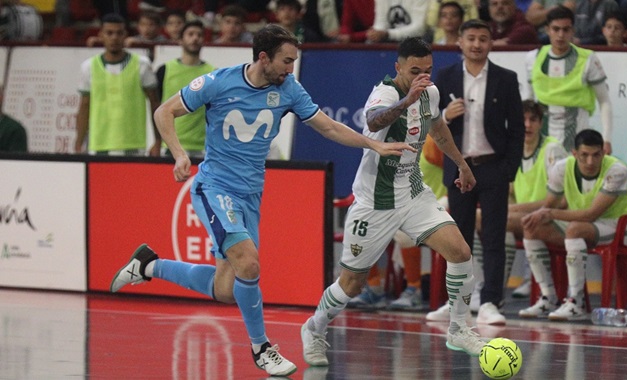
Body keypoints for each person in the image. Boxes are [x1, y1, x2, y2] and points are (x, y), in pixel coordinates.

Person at [108, 24, 415, 377]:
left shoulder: (289, 89)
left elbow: (328, 127)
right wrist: (178, 154)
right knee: (250, 265)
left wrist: (373, 143)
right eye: (286, 61)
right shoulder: (218, 82)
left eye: (294, 62)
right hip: (215, 187)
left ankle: (148, 266)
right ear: (263, 57)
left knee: (226, 289)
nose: (291, 68)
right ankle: (262, 348)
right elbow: (165, 111)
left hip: (251, 194)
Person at [301, 37, 485, 367]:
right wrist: (407, 100)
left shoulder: (430, 92)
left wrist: (461, 164)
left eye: (427, 71)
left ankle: (459, 328)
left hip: (413, 193)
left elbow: (439, 130)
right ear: (398, 67)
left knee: (460, 251)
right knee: (351, 285)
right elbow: (373, 121)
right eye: (415, 71)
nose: (422, 78)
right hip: (375, 201)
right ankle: (314, 328)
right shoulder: (385, 93)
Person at [432, 19, 524, 326]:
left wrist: (509, 168)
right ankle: (456, 301)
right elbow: (431, 121)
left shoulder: (505, 78)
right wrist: (446, 114)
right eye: (470, 38)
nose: (476, 44)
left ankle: (490, 302)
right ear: (459, 41)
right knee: (457, 239)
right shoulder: (444, 77)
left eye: (482, 39)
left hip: (493, 167)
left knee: (494, 238)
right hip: (459, 168)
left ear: (491, 43)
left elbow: (518, 129)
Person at [519, 129, 627, 320]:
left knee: (575, 229)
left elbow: (592, 214)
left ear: (604, 153)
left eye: (596, 155)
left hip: (624, 228)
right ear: (574, 153)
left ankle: (576, 302)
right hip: (585, 226)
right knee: (532, 228)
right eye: (584, 155)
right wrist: (539, 215)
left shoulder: (617, 170)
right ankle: (548, 297)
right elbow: (549, 205)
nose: (590, 161)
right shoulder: (561, 168)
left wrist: (549, 213)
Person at [524, 6, 613, 154]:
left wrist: (607, 139)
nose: (560, 35)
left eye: (566, 30)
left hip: (577, 138)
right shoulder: (533, 58)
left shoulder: (588, 59)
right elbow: (529, 101)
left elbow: (604, 101)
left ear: (573, 30)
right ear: (547, 30)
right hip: (542, 137)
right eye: (556, 29)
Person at [505, 100, 567, 303]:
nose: (527, 125)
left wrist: (512, 208)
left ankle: (544, 293)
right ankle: (486, 290)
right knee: (481, 219)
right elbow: (511, 191)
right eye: (522, 120)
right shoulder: (513, 150)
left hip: (554, 217)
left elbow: (562, 201)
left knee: (494, 219)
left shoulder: (552, 150)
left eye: (532, 119)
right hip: (524, 217)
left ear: (541, 123)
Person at [75, 13, 161, 156]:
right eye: (109, 33)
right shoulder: (88, 67)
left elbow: (154, 104)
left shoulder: (142, 65)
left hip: (133, 146)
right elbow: (84, 106)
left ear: (125, 35)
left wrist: (158, 140)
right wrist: (79, 142)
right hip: (99, 145)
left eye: (119, 33)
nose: (114, 37)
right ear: (101, 35)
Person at [155, 20, 215, 157]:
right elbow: (157, 107)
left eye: (199, 35)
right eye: (190, 34)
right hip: (171, 146)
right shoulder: (165, 70)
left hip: (202, 147)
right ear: (180, 40)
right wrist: (158, 141)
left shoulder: (212, 73)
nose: (195, 38)